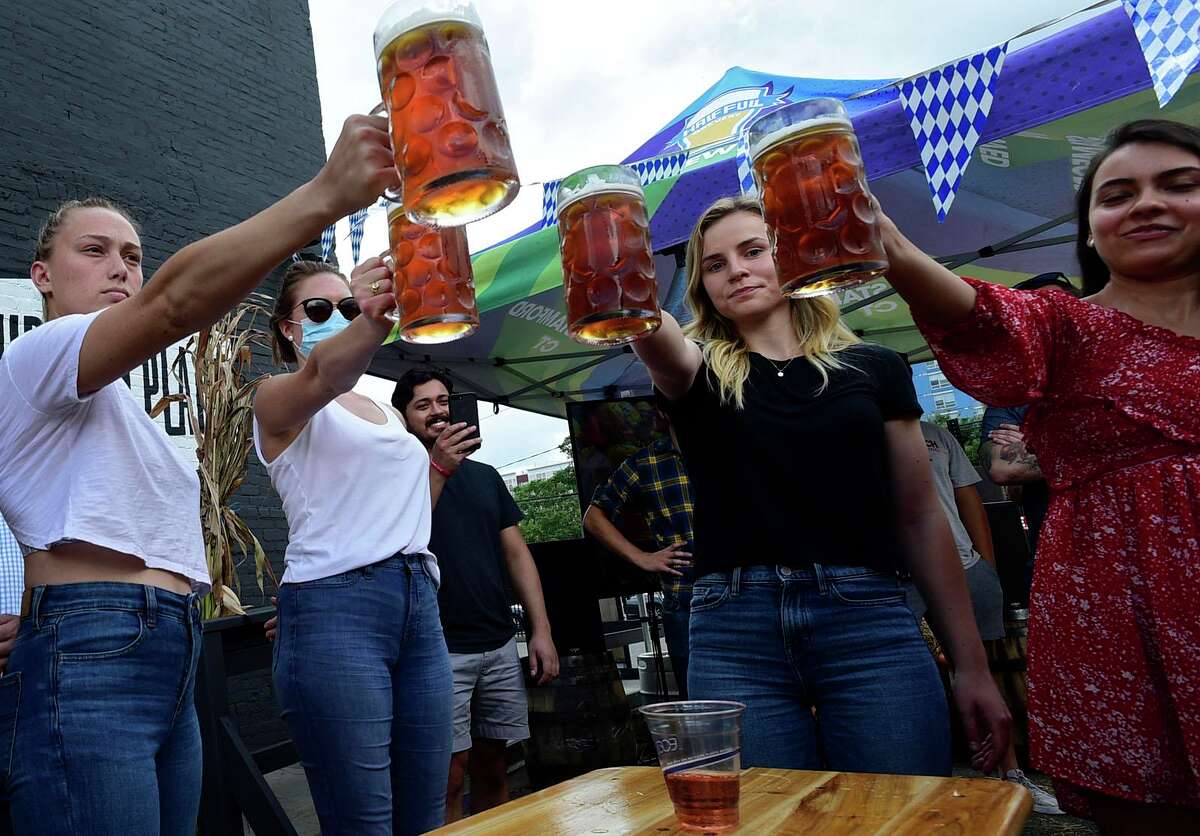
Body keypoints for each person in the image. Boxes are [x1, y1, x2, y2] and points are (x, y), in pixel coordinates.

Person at [0, 114, 393, 835]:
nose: (121, 265)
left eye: (132, 253)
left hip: (169, 648)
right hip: (91, 649)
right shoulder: (37, 357)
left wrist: (364, 319)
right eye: (94, 250)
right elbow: (175, 303)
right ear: (42, 277)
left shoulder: (123, 409)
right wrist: (328, 193)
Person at [876, 118, 1200, 831]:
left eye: (1180, 185)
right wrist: (893, 250)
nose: (1146, 203)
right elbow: (986, 318)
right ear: (1089, 231)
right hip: (1124, 626)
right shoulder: (1066, 327)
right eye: (1117, 194)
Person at [627, 195, 1010, 776]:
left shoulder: (875, 367)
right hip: (735, 628)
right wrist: (614, 272)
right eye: (715, 264)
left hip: (867, 616)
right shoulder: (697, 369)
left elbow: (920, 515)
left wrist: (971, 663)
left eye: (754, 251)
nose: (736, 270)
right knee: (762, 820)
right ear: (703, 290)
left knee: (895, 815)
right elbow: (656, 337)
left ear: (792, 257)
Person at [254, 261, 477, 835]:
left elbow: (402, 515)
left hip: (418, 605)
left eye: (349, 308)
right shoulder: (280, 398)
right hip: (335, 610)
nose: (340, 319)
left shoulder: (383, 410)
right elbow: (325, 375)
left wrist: (440, 468)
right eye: (321, 310)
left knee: (427, 813)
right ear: (288, 329)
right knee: (364, 822)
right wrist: (373, 319)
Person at [389, 369, 559, 824]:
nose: (438, 411)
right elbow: (400, 536)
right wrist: (439, 467)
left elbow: (518, 557)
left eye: (444, 401)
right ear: (402, 416)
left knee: (494, 765)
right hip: (438, 648)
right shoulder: (397, 477)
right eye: (423, 405)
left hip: (500, 643)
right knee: (447, 775)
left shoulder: (486, 477)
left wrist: (540, 631)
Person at [904, 421, 1063, 815]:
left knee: (983, 669)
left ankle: (1011, 777)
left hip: (961, 564)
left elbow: (967, 497)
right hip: (895, 575)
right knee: (908, 679)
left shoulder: (937, 436)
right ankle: (928, 786)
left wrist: (984, 564)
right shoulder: (851, 424)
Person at [979, 273, 1078, 602]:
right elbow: (1002, 468)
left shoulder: (1123, 370)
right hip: (1063, 561)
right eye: (1042, 310)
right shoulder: (1013, 394)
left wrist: (1035, 445)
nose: (1059, 314)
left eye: (1066, 303)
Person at [583, 425, 695, 698]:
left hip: (748, 596)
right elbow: (593, 517)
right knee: (699, 705)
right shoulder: (645, 462)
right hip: (685, 601)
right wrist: (642, 558)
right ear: (664, 411)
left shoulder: (733, 443)